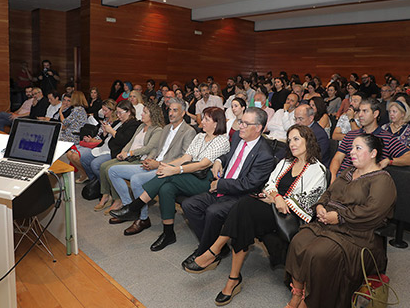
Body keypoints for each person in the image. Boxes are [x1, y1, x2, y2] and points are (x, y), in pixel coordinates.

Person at [183, 125, 327, 306]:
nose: (292, 144)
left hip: (291, 218)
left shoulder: (318, 170)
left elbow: (307, 202)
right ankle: (232, 277)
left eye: (297, 139)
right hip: (270, 209)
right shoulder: (285, 162)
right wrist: (276, 198)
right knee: (243, 215)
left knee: (244, 207)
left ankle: (215, 253)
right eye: (289, 140)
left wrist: (279, 200)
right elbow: (269, 185)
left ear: (309, 140)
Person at [285, 134, 396, 308]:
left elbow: (372, 211)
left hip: (356, 233)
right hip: (327, 223)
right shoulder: (348, 172)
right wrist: (321, 206)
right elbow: (329, 192)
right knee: (298, 241)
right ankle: (297, 294)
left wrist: (339, 217)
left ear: (373, 153)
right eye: (352, 148)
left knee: (318, 253)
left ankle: (310, 301)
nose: (352, 152)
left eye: (358, 148)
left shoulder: (382, 180)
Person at [112, 107, 230, 251]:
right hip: (189, 175)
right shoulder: (200, 136)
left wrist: (174, 170)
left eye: (206, 119)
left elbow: (202, 165)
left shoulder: (222, 140)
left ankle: (134, 207)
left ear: (216, 124)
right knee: (166, 187)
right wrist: (165, 166)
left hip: (206, 181)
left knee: (169, 177)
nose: (202, 121)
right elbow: (186, 158)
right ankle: (168, 233)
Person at [181, 108, 275, 266]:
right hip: (223, 188)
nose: (241, 126)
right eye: (240, 122)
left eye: (246, 123)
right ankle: (217, 246)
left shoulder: (265, 155)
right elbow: (230, 156)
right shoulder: (238, 136)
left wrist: (220, 184)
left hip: (242, 197)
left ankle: (204, 252)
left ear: (259, 128)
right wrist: (219, 160)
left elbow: (249, 184)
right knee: (189, 205)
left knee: (213, 212)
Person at [105, 98, 196, 231]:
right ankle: (129, 208)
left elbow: (184, 158)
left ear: (183, 113)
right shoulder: (166, 128)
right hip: (153, 163)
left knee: (136, 179)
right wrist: (150, 159)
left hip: (167, 168)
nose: (171, 113)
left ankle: (143, 218)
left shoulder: (189, 131)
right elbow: (157, 149)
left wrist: (157, 163)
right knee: (113, 170)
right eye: (170, 110)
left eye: (175, 110)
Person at [95, 102, 165, 219]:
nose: (141, 114)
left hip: (140, 159)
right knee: (105, 166)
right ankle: (121, 201)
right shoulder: (141, 126)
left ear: (152, 115)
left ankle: (125, 204)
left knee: (110, 169)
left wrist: (129, 153)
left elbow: (147, 148)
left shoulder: (157, 130)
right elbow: (131, 142)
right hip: (131, 156)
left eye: (145, 112)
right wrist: (123, 152)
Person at [329, 98, 410, 180]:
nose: (360, 115)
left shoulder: (387, 138)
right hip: (342, 178)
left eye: (365, 111)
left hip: (366, 183)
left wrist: (390, 161)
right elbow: (337, 158)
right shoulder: (351, 135)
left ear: (375, 114)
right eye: (359, 111)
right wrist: (332, 177)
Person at [68, 99, 117, 183]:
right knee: (69, 153)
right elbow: (100, 135)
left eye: (105, 110)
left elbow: (104, 141)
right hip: (95, 141)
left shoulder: (115, 123)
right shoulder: (105, 120)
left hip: (99, 145)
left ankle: (90, 177)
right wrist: (91, 139)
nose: (103, 113)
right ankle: (85, 174)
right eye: (103, 110)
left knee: (75, 156)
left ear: (112, 110)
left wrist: (92, 140)